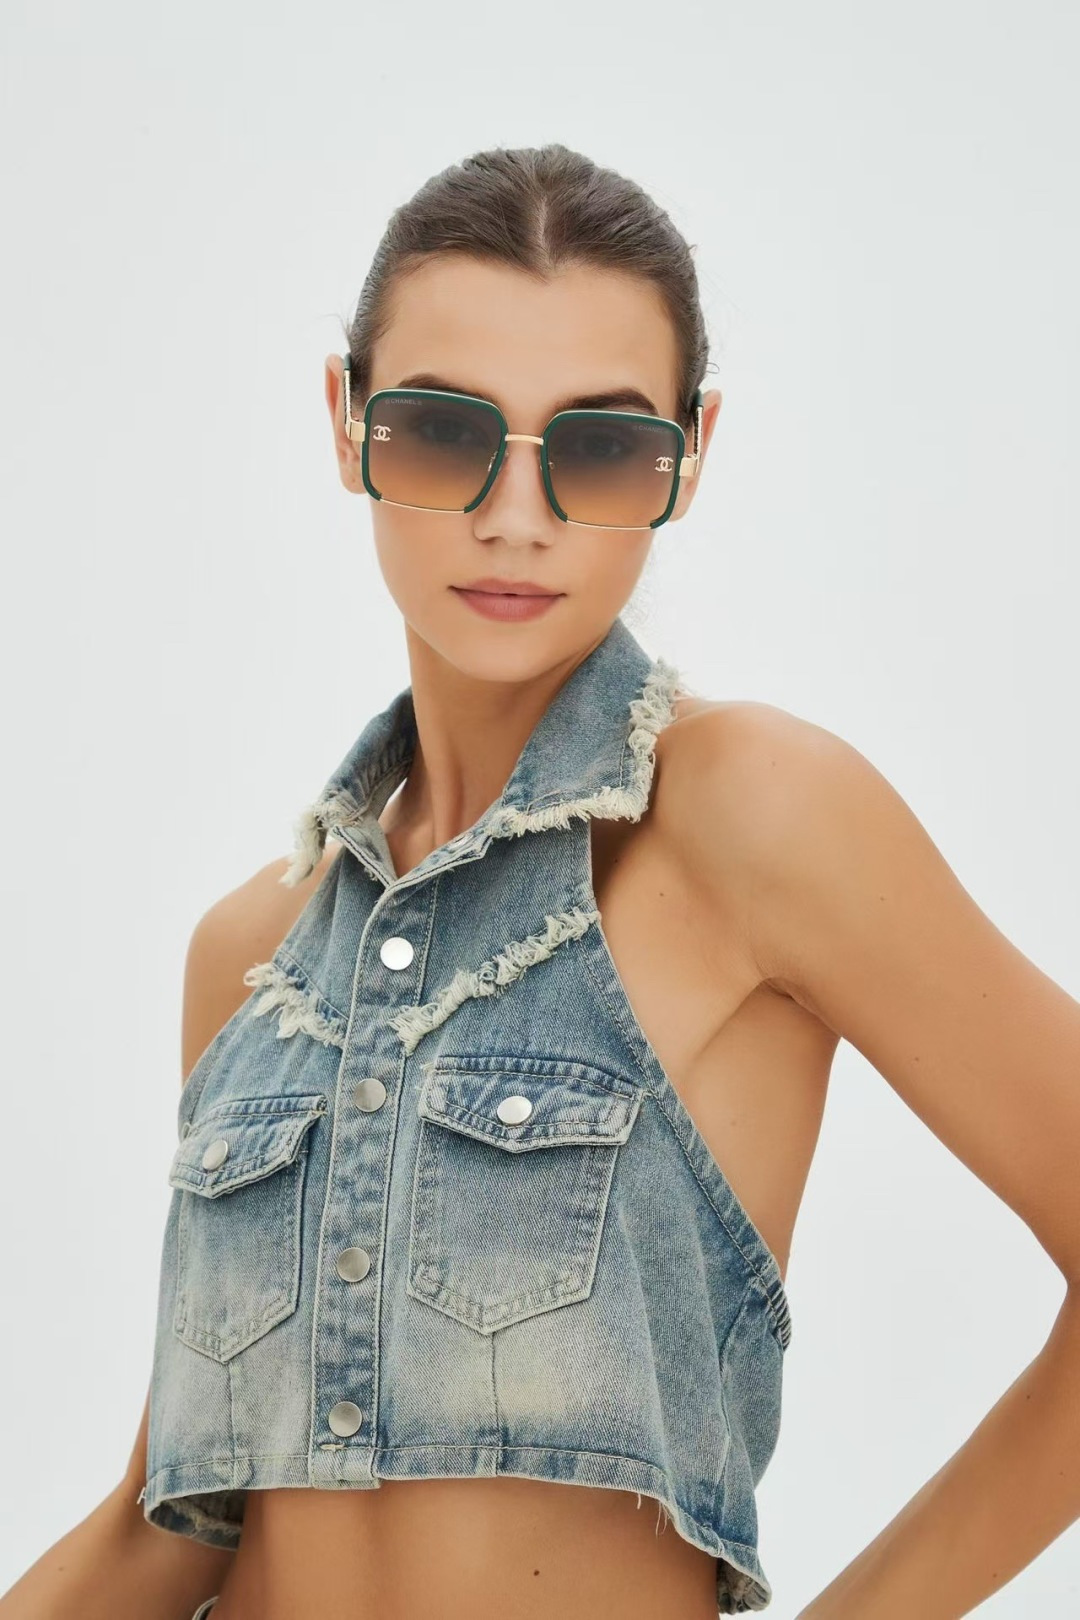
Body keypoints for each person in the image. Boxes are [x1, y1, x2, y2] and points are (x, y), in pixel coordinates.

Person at [5, 143, 1078, 1620]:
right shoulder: (250, 954)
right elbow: (167, 1528)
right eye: (444, 434)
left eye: (602, 449)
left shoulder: (754, 816)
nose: (516, 516)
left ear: (689, 452)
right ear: (347, 424)